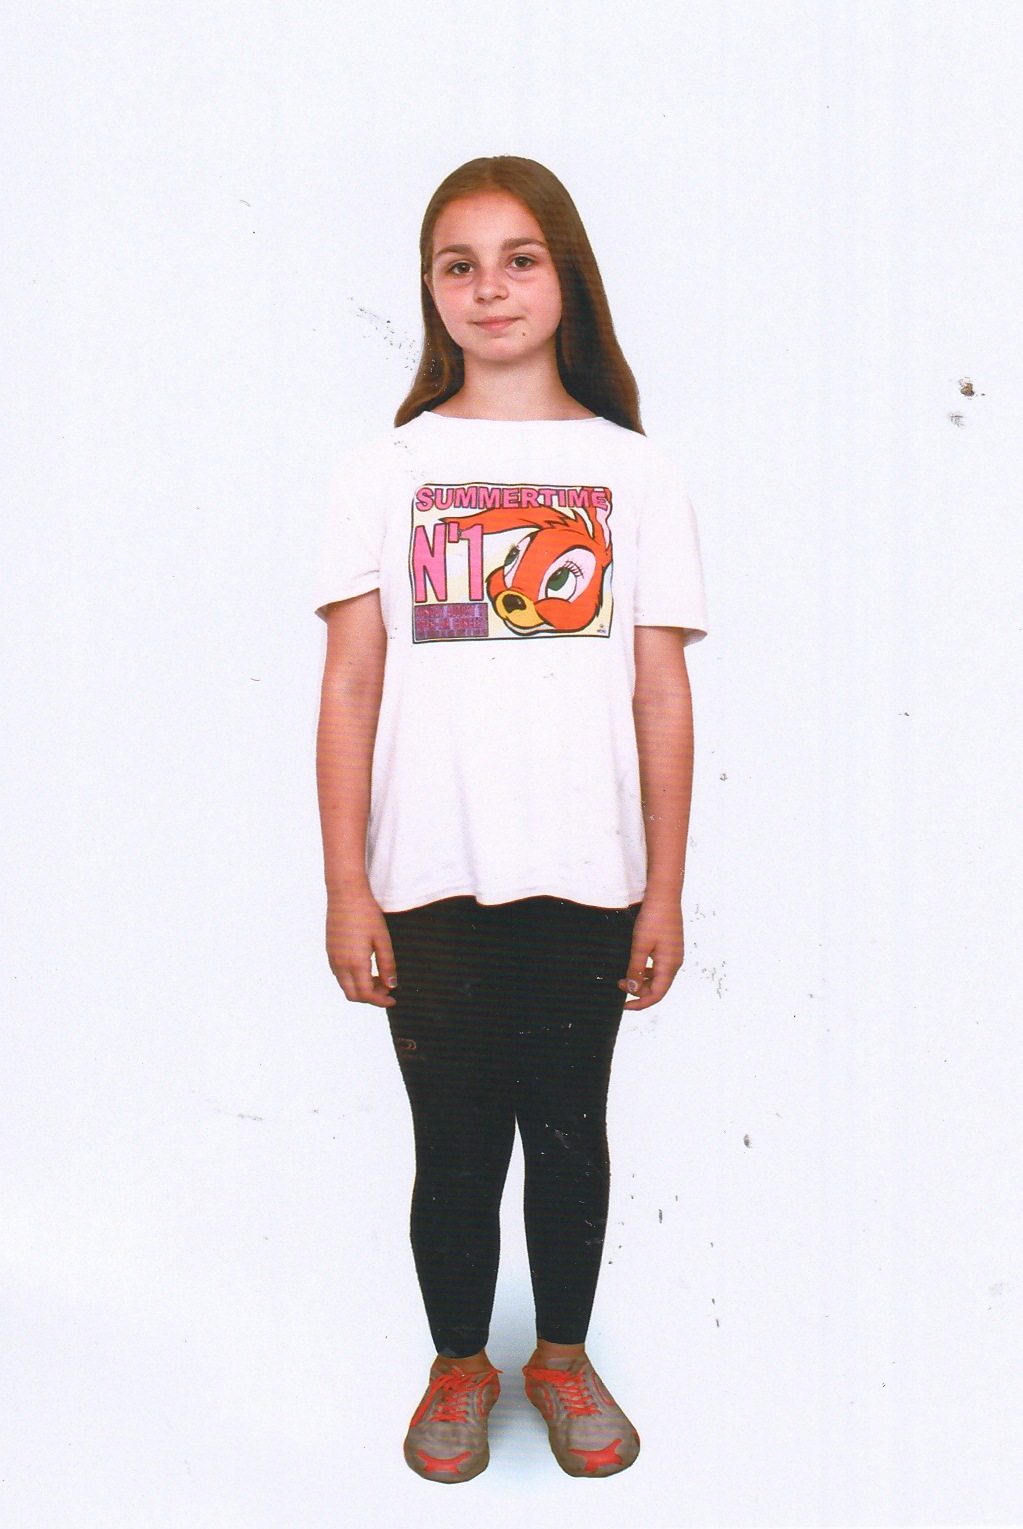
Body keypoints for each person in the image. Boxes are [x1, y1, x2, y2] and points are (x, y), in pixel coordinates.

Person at [314, 156, 708, 1483]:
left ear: (567, 277)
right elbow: (351, 685)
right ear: (430, 292)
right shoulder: (387, 470)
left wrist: (663, 888)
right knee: (455, 1144)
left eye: (520, 258)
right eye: (459, 264)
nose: (490, 288)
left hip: (590, 876)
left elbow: (660, 691)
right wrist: (347, 887)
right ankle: (458, 1363)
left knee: (571, 1129)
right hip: (427, 876)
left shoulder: (634, 474)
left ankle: (562, 1354)